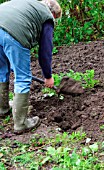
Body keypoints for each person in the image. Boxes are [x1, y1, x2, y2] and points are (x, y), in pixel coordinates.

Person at [0, 0, 62, 134]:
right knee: (22, 78)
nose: (53, 22)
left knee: (1, 71)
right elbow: (45, 51)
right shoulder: (47, 16)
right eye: (55, 19)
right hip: (15, 33)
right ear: (53, 13)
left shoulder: (29, 5)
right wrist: (48, 76)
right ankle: (21, 124)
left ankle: (2, 109)